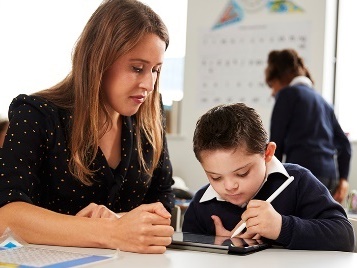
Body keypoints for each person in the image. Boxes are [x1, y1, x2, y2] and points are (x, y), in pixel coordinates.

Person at [0, 0, 175, 254]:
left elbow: (164, 206)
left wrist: (117, 220)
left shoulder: (150, 117)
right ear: (99, 60)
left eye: (156, 70)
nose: (149, 83)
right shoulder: (36, 115)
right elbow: (7, 215)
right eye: (137, 68)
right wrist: (111, 232)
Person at [182, 103, 354, 252]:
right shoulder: (201, 204)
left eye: (242, 173)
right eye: (215, 177)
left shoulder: (297, 182)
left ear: (268, 153)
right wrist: (216, 244)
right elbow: (187, 255)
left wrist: (281, 227)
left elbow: (344, 237)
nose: (229, 186)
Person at [265, 48, 351, 204]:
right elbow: (344, 145)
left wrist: (269, 185)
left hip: (304, 175)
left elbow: (276, 145)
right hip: (330, 176)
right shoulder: (324, 101)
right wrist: (343, 179)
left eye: (272, 85)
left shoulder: (287, 95)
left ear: (281, 77)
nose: (272, 92)